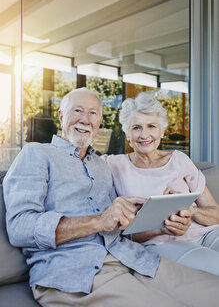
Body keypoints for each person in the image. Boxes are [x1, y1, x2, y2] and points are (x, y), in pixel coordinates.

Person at [3, 88, 219, 307]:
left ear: (99, 122)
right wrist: (99, 221)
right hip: (75, 271)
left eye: (93, 113)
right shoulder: (36, 154)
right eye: (77, 111)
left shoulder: (100, 165)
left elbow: (122, 229)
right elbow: (20, 227)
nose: (85, 120)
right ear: (61, 116)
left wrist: (152, 219)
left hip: (133, 258)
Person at [103, 91, 219, 276]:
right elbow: (125, 234)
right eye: (136, 128)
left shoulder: (179, 159)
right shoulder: (113, 166)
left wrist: (191, 211)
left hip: (209, 233)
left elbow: (215, 213)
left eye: (151, 126)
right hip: (167, 243)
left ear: (162, 131)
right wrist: (160, 228)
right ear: (127, 133)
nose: (145, 135)